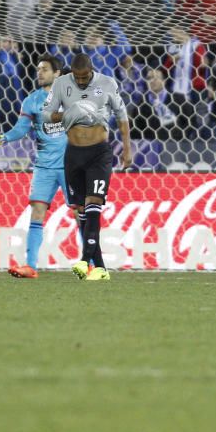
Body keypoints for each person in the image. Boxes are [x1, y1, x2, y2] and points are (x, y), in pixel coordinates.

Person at [42, 53, 132, 281]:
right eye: (77, 78)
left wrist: (127, 150)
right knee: (80, 211)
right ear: (71, 72)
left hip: (99, 153)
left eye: (85, 78)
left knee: (94, 205)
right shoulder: (62, 84)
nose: (81, 82)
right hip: (73, 154)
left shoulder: (107, 83)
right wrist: (68, 114)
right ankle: (100, 268)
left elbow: (122, 117)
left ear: (91, 71)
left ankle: (84, 260)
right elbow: (46, 115)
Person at [0, 55, 69, 279]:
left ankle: (91, 264)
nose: (39, 73)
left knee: (81, 212)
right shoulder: (31, 101)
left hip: (71, 164)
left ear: (57, 73)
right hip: (44, 166)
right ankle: (31, 266)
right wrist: (0, 139)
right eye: (38, 69)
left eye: (44, 69)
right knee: (37, 212)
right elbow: (20, 129)